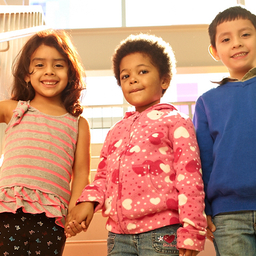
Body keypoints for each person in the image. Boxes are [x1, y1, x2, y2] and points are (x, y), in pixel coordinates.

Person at [65, 33, 207, 256]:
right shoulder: (116, 131)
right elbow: (102, 178)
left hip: (162, 233)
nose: (132, 79)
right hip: (118, 237)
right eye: (125, 76)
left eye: (142, 71)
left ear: (164, 80)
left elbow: (190, 180)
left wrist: (193, 230)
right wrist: (88, 202)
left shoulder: (176, 122)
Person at [0, 29, 91, 256]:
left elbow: (81, 174)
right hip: (7, 209)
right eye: (39, 65)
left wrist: (74, 211)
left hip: (51, 218)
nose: (49, 71)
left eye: (58, 65)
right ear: (26, 75)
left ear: (70, 73)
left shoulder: (78, 124)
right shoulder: (15, 108)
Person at [193, 6, 256, 256]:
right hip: (228, 215)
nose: (237, 44)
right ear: (215, 51)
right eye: (226, 39)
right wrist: (205, 209)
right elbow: (204, 162)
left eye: (246, 35)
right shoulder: (206, 102)